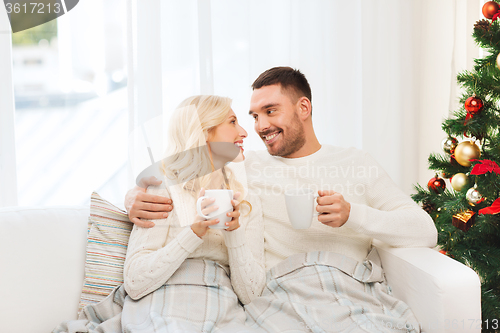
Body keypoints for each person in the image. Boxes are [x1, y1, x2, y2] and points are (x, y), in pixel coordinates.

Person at [125, 67, 438, 332]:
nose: (260, 127)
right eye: (254, 116)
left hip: (351, 288)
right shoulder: (244, 167)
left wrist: (353, 214)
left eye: (270, 111)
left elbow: (424, 230)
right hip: (283, 294)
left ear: (303, 108)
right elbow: (181, 172)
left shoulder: (357, 163)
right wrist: (132, 198)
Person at [54, 95, 266, 333]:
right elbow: (135, 282)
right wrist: (192, 234)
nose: (245, 132)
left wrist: (234, 232)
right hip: (163, 304)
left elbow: (252, 295)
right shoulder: (162, 189)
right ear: (205, 131)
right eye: (233, 122)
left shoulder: (248, 202)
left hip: (219, 306)